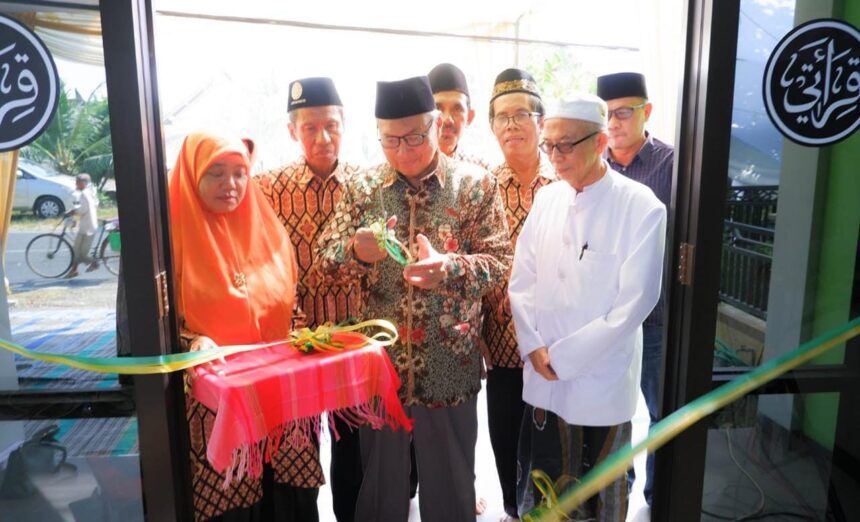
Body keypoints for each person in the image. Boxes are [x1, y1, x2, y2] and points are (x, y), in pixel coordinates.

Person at [316, 76, 512, 522]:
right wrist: (355, 252)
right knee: (381, 491)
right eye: (391, 140)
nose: (403, 149)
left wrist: (451, 268)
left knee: (451, 490)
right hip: (381, 371)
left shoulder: (475, 185)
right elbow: (325, 258)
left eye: (415, 137)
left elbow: (500, 261)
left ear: (437, 124)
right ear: (378, 135)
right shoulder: (363, 188)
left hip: (450, 364)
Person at [508, 94, 666, 520]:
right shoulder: (546, 200)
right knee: (543, 489)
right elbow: (521, 280)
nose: (555, 157)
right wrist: (533, 345)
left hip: (600, 381)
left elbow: (634, 304)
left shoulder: (642, 207)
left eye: (566, 145)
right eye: (549, 145)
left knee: (597, 498)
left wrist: (563, 357)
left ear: (599, 143)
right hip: (543, 375)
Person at [168, 132, 302, 521]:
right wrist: (193, 340)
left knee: (285, 499)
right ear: (192, 175)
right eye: (216, 172)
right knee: (235, 506)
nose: (231, 185)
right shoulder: (167, 238)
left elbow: (291, 307)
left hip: (276, 398)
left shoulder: (268, 230)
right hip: (212, 413)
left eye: (240, 173)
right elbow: (149, 328)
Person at [255, 76, 362, 522]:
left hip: (353, 341)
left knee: (354, 453)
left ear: (344, 125)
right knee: (294, 457)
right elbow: (258, 264)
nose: (323, 137)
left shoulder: (366, 184)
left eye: (332, 126)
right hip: (293, 346)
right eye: (310, 128)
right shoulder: (267, 190)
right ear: (292, 131)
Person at [483, 67, 557, 522]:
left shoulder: (567, 183)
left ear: (541, 122)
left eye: (521, 114)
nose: (511, 125)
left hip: (555, 348)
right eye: (502, 117)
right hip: (503, 348)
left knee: (553, 450)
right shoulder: (481, 188)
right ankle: (513, 511)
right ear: (491, 127)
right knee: (506, 443)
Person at [597, 71, 674, 507]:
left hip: (656, 319)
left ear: (647, 112)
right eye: (605, 115)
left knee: (660, 411)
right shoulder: (595, 165)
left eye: (623, 112)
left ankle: (658, 494)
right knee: (615, 410)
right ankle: (616, 491)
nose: (613, 123)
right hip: (606, 319)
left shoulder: (672, 164)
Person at [427, 63, 490, 169]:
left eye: (457, 109)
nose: (447, 120)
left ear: (469, 117)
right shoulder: (407, 170)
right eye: (438, 109)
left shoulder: (482, 171)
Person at [64, 173, 99, 278]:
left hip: (88, 227)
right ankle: (74, 270)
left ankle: (94, 264)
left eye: (77, 182)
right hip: (87, 225)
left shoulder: (85, 194)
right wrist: (74, 210)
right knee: (76, 249)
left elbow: (82, 209)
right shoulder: (90, 192)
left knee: (82, 253)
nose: (76, 184)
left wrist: (72, 212)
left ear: (83, 183)